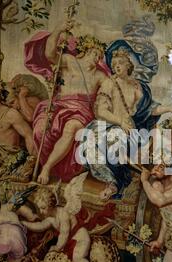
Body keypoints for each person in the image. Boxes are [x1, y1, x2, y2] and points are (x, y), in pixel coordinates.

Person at [84, 48, 172, 200]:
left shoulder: (135, 87)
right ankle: (112, 182)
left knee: (143, 144)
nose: (117, 66)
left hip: (131, 130)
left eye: (120, 63)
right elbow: (101, 111)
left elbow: (149, 109)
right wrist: (120, 121)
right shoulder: (109, 84)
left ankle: (141, 173)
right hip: (109, 126)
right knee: (112, 141)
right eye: (114, 65)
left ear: (129, 65)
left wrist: (170, 109)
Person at [24, 21, 110, 184]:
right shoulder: (69, 60)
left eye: (100, 56)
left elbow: (112, 89)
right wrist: (58, 29)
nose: (98, 59)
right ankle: (44, 163)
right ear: (86, 50)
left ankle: (47, 167)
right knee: (40, 131)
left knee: (71, 128)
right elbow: (49, 54)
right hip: (58, 105)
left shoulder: (99, 75)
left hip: (81, 110)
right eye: (96, 54)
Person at [22, 184, 97, 262]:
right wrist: (23, 223)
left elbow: (64, 234)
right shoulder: (50, 218)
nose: (41, 212)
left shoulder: (63, 214)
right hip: (67, 243)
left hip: (79, 238)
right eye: (40, 208)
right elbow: (39, 226)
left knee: (77, 259)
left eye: (43, 208)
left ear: (50, 205)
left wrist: (57, 248)